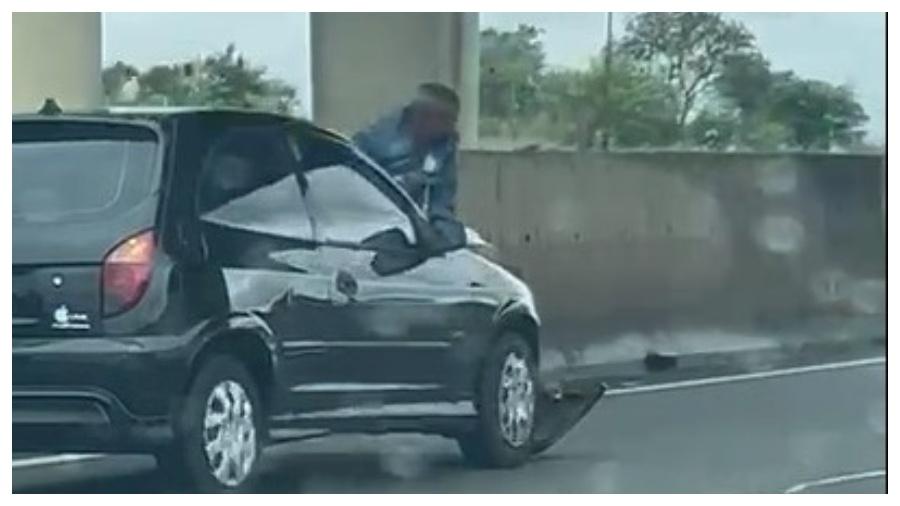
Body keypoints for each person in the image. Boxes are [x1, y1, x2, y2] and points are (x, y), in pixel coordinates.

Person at [353, 83, 461, 229]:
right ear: (423, 116)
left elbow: (443, 199)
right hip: (370, 220)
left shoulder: (445, 144)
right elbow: (355, 187)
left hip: (415, 224)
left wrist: (444, 230)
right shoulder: (374, 138)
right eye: (448, 120)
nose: (452, 128)